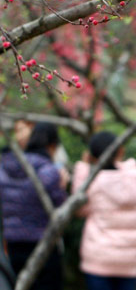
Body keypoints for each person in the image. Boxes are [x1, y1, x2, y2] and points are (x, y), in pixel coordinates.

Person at [72, 131, 136, 290]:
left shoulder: (94, 183)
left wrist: (83, 168)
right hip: (130, 263)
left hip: (98, 259)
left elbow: (79, 209)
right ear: (120, 151)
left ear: (91, 156)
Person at [0, 122, 68, 290]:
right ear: (52, 145)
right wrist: (63, 186)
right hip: (42, 243)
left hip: (13, 242)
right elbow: (60, 209)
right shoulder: (48, 170)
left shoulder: (6, 167)